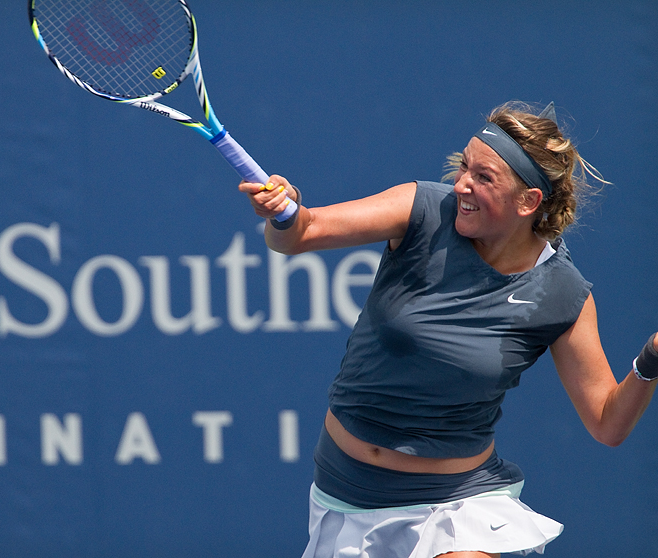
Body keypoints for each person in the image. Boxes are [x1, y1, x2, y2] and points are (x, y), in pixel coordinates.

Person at [239, 101, 658, 558]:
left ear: (528, 201)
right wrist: (285, 212)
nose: (461, 184)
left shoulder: (562, 293)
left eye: (484, 177)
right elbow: (303, 232)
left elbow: (607, 423)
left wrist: (650, 361)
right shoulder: (423, 209)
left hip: (459, 504)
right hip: (345, 498)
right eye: (464, 167)